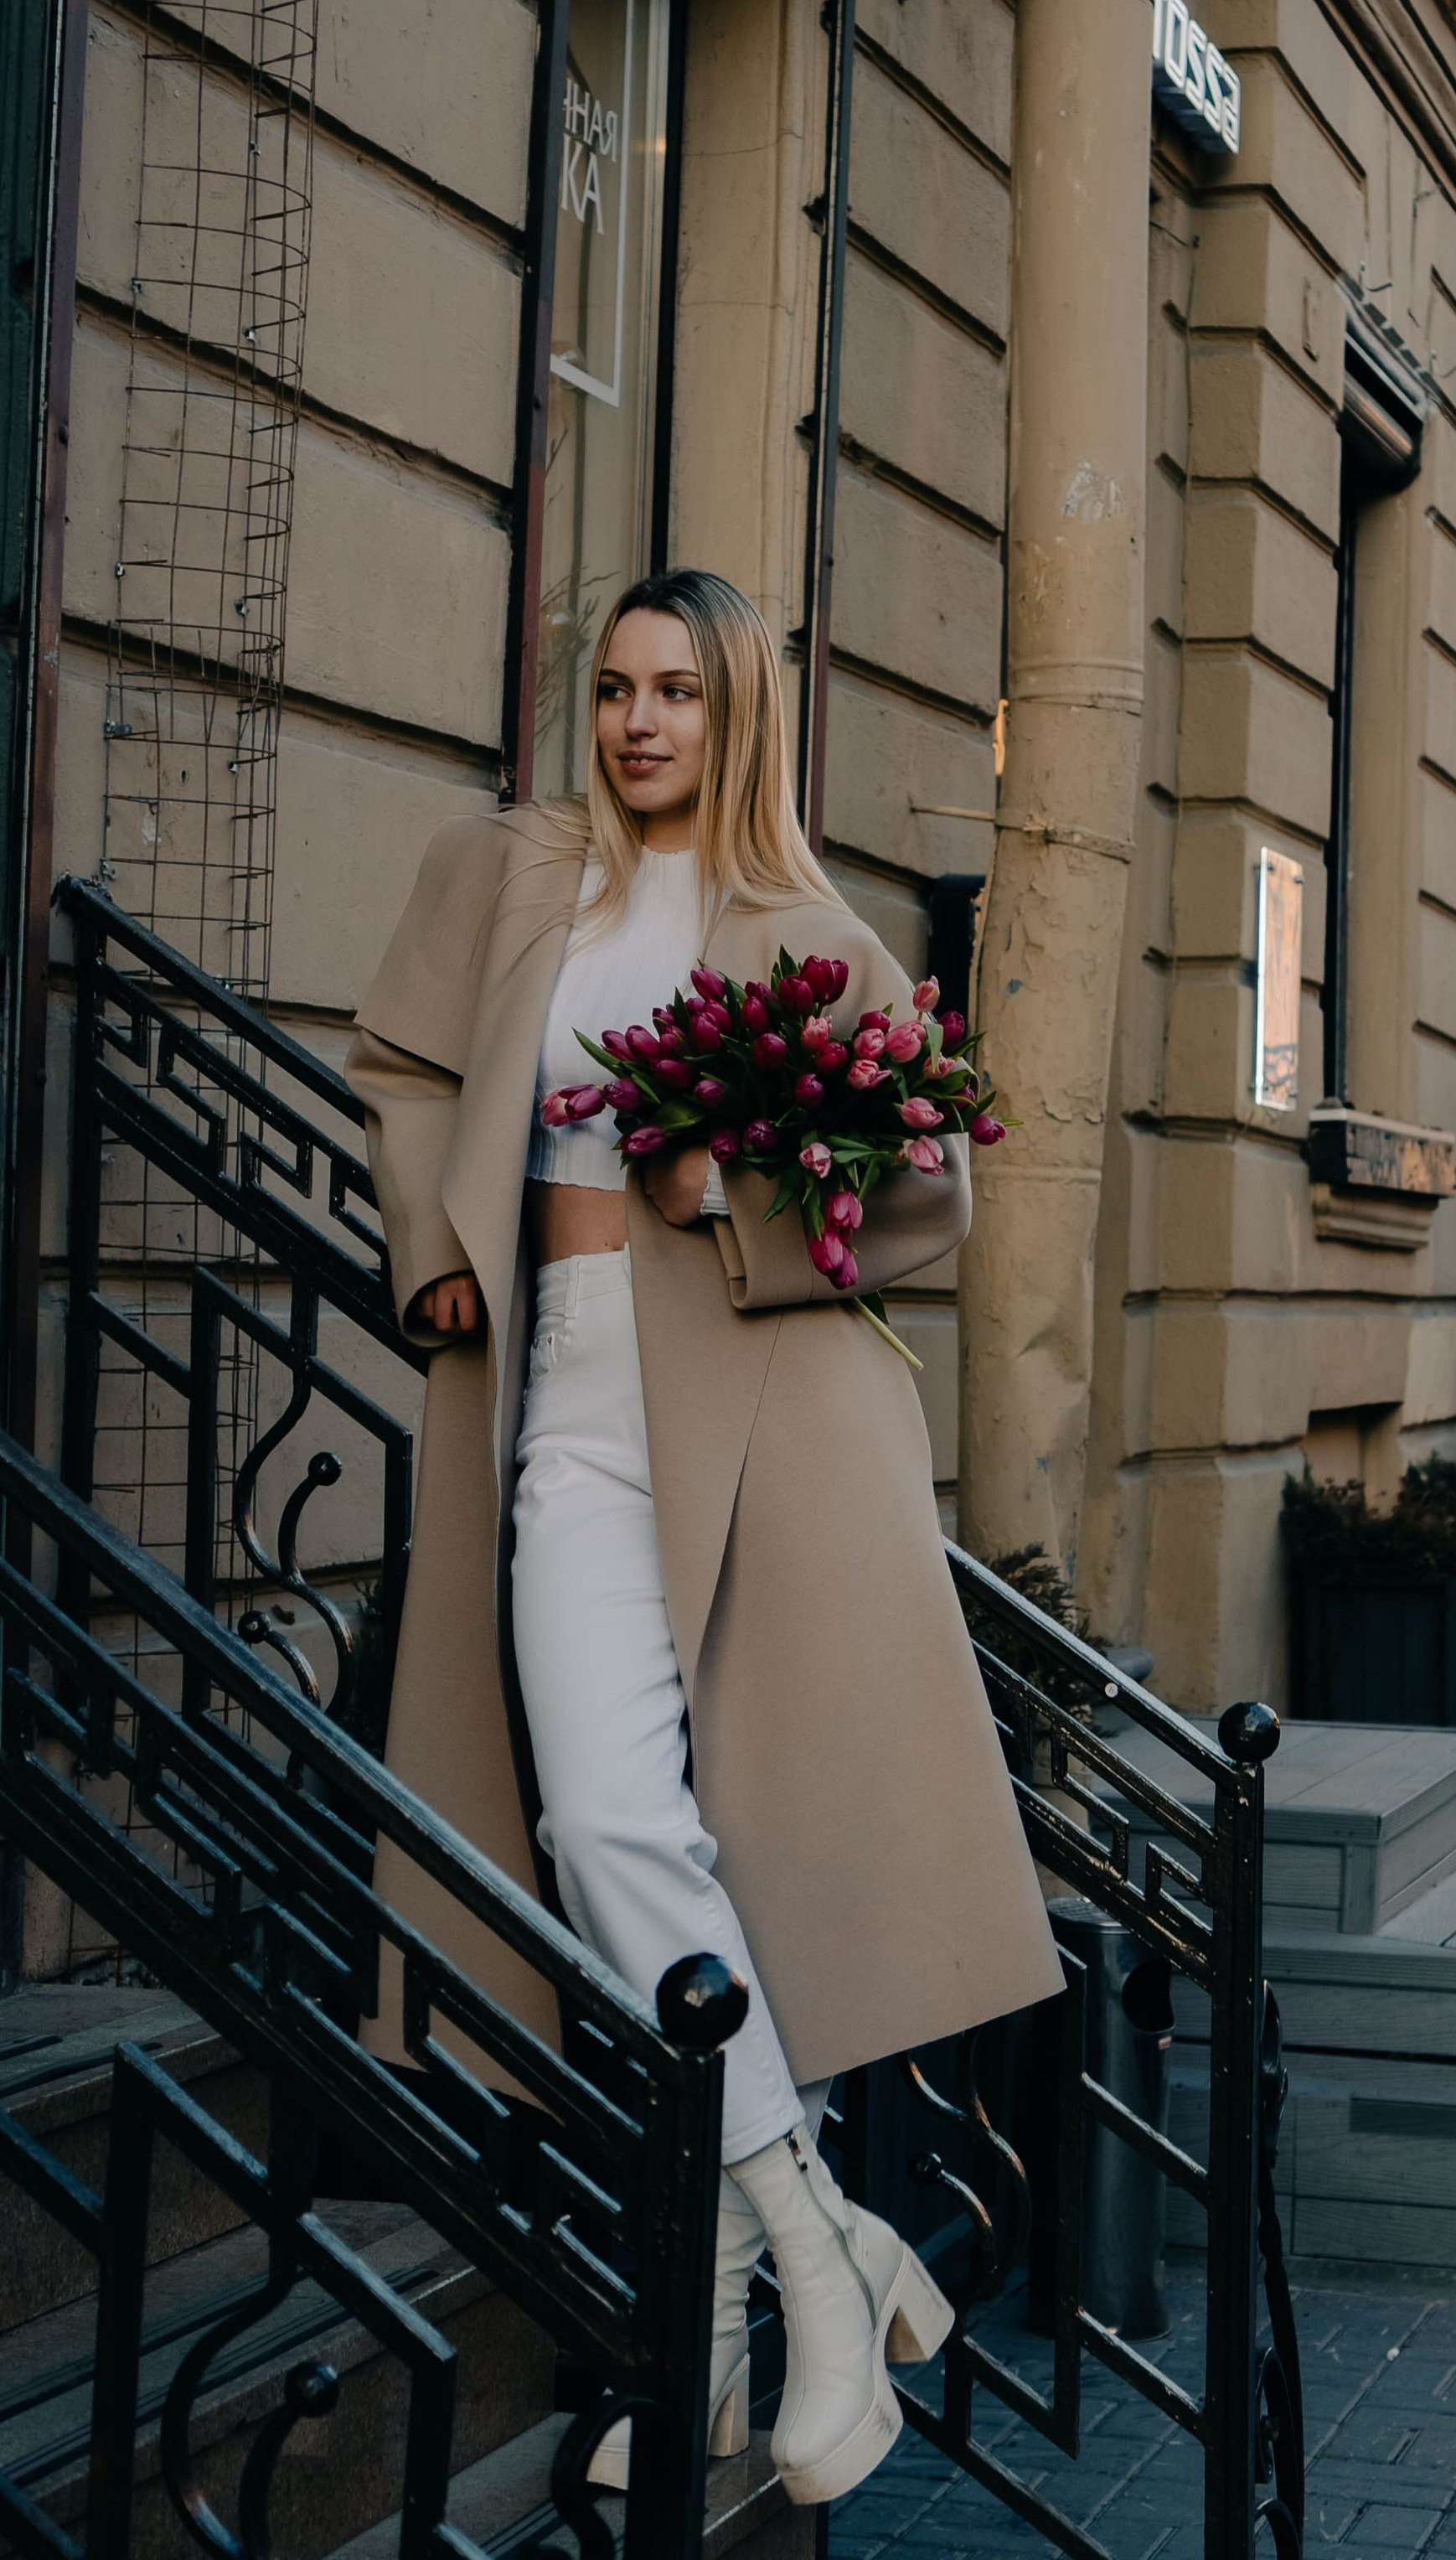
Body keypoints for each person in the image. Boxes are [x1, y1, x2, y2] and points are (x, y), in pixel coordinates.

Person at [349, 568, 1061, 2507]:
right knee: (601, 1826)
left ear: (737, 712)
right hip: (552, 1400)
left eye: (676, 690)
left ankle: (728, 2359)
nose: (637, 721)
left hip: (758, 1425)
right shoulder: (510, 878)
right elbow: (404, 1071)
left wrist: (726, 1188)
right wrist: (434, 1261)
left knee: (734, 1837)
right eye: (613, 688)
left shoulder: (811, 932)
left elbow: (923, 1205)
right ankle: (834, 2256)